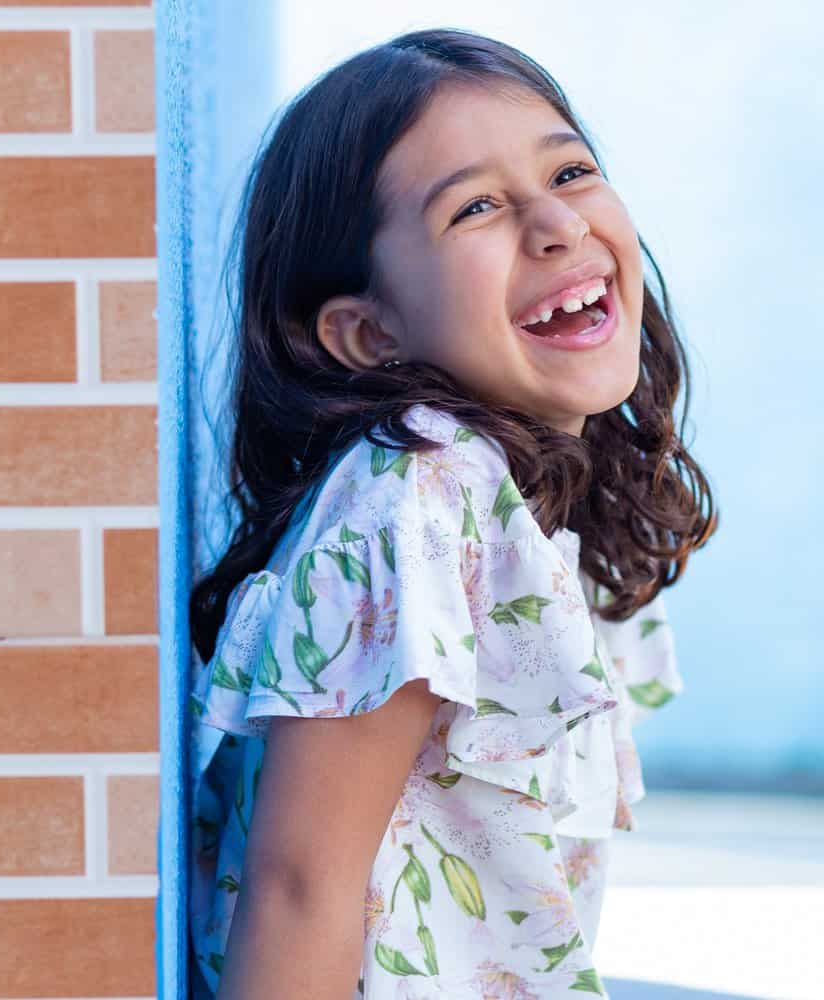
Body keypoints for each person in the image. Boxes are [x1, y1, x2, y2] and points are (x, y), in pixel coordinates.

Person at [185, 26, 718, 999]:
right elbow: (300, 886)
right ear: (368, 332)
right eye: (476, 207)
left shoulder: (529, 483)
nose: (556, 224)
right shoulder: (416, 500)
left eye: (571, 170)